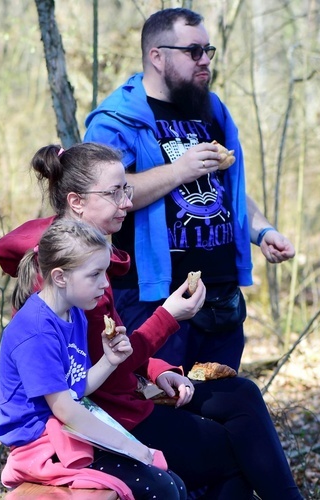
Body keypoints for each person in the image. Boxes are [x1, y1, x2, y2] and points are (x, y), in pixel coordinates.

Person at [0, 143, 303, 499]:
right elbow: (90, 383)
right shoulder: (66, 283)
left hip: (115, 396)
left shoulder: (89, 264)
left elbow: (113, 351)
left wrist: (155, 371)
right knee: (233, 453)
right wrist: (168, 317)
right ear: (76, 202)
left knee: (241, 394)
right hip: (104, 415)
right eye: (114, 192)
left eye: (126, 189)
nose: (127, 201)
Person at [83, 7, 295, 374]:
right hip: (154, 301)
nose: (205, 61)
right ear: (157, 56)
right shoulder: (116, 119)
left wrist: (263, 231)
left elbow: (225, 188)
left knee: (221, 406)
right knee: (159, 411)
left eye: (208, 51)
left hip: (221, 298)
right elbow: (100, 194)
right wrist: (177, 171)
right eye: (193, 51)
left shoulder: (211, 111)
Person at [0, 218, 186, 499]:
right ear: (60, 277)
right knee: (159, 488)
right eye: (95, 274)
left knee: (174, 484)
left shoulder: (74, 313)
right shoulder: (36, 331)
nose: (105, 283)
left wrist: (109, 361)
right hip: (39, 447)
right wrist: (133, 447)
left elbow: (77, 389)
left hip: (67, 433)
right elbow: (66, 410)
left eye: (105, 272)